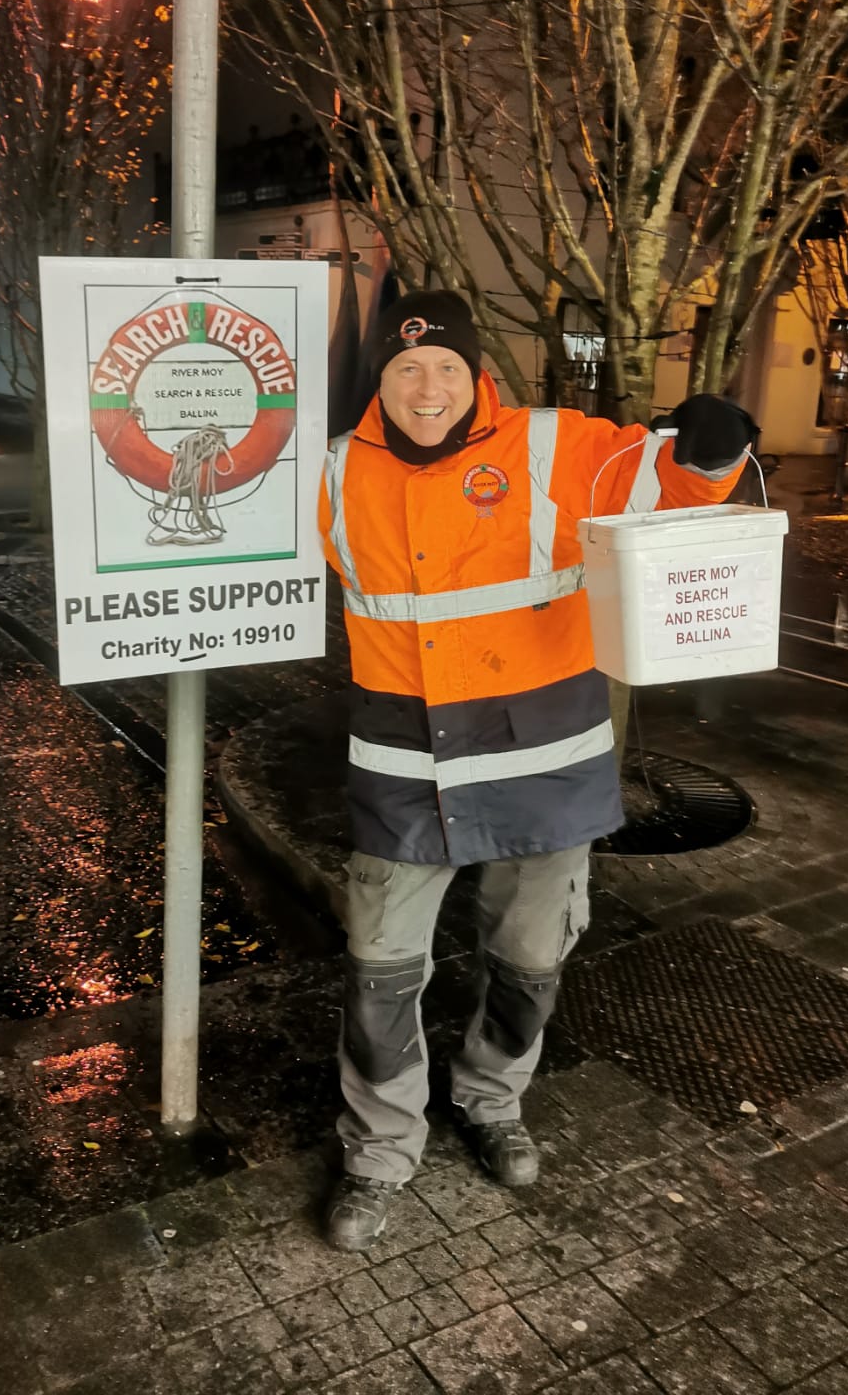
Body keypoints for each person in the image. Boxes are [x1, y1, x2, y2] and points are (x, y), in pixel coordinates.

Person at [318, 288, 756, 1253]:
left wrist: (711, 445)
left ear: (476, 374)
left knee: (529, 961)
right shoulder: (337, 467)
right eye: (405, 368)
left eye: (445, 368)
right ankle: (379, 1150)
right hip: (405, 765)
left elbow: (674, 481)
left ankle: (491, 1100)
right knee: (380, 970)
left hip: (544, 758)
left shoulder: (555, 446)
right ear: (379, 380)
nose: (426, 388)